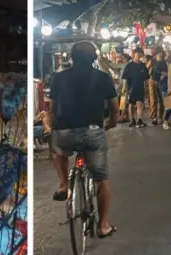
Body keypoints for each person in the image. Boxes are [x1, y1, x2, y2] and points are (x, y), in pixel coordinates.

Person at [47, 41, 118, 238]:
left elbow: (51, 109)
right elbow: (114, 109)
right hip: (93, 132)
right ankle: (103, 225)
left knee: (57, 150)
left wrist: (51, 126)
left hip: (65, 133)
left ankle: (63, 183)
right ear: (95, 58)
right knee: (101, 180)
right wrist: (111, 123)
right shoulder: (103, 78)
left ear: (71, 57)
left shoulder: (58, 78)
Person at [122, 49, 151, 127]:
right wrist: (124, 88)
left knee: (139, 103)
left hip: (140, 87)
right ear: (134, 54)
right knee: (131, 104)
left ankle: (139, 120)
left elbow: (146, 78)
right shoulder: (129, 65)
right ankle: (132, 120)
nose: (139, 56)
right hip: (130, 88)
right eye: (138, 55)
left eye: (141, 55)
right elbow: (125, 77)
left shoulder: (142, 65)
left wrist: (147, 87)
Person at [149, 50, 168, 125]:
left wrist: (164, 74)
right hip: (152, 82)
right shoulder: (152, 61)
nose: (161, 54)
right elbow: (147, 68)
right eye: (159, 53)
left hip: (161, 83)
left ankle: (160, 117)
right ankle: (154, 118)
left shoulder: (163, 62)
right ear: (156, 54)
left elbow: (166, 73)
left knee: (161, 100)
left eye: (162, 53)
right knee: (154, 100)